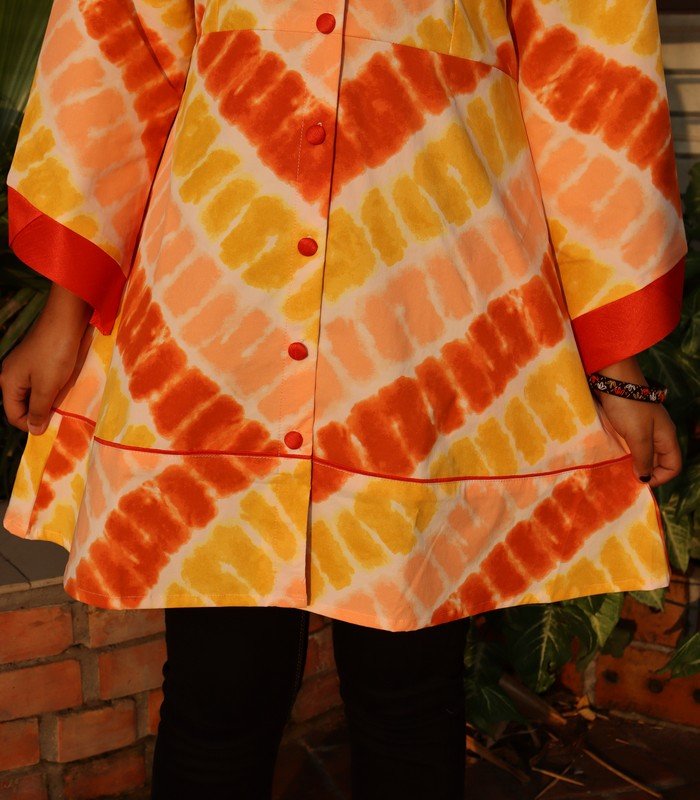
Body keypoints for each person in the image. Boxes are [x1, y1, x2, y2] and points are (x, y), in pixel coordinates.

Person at [0, 1, 687, 798]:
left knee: (409, 691)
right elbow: (120, 52)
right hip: (220, 329)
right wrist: (64, 314)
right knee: (219, 693)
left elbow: (587, 83)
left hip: (429, 332)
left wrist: (617, 365)